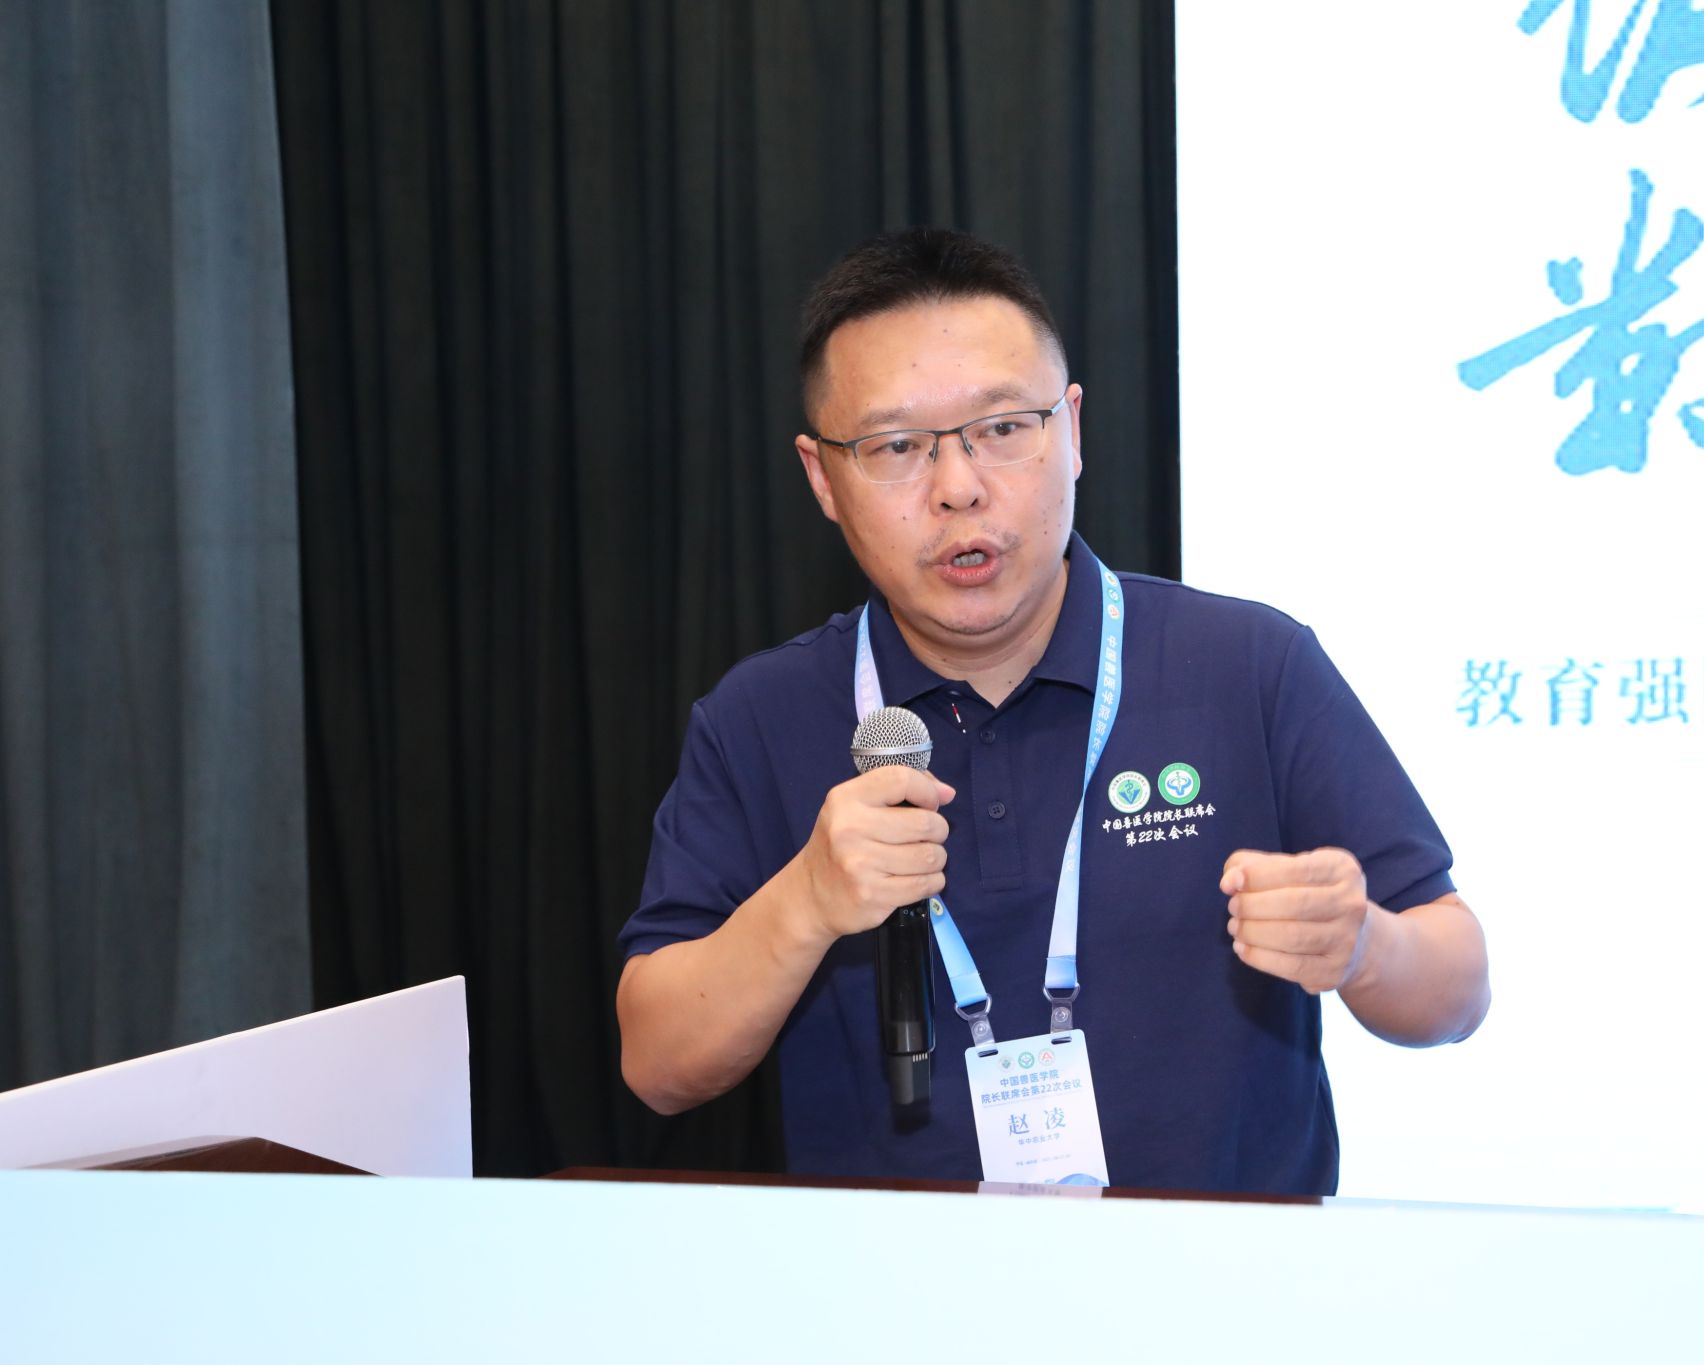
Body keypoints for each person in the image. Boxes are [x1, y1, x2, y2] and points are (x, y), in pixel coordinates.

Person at [616, 227, 1489, 1194]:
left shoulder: (1248, 663)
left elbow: (1458, 986)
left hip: (1227, 1277)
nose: (958, 489)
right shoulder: (758, 718)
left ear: (1072, 431)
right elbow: (658, 1065)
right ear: (824, 477)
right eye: (896, 447)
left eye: (1002, 429)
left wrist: (1363, 945)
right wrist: (809, 900)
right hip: (889, 1279)